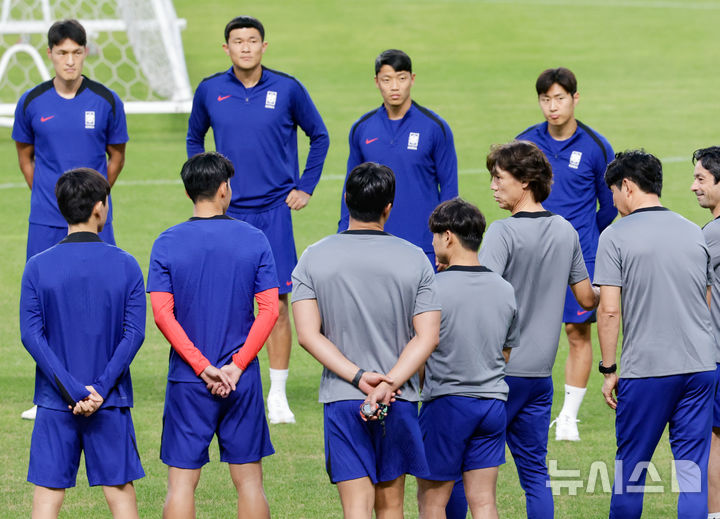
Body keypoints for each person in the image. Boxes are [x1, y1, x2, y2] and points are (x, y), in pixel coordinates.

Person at [186, 15, 329, 424]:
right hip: (225, 212)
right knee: (223, 299)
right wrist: (204, 185)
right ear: (226, 48)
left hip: (273, 213)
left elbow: (318, 135)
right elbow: (195, 137)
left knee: (277, 303)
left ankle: (277, 396)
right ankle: (219, 378)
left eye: (252, 41)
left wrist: (306, 185)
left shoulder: (287, 89)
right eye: (237, 41)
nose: (245, 47)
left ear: (264, 47)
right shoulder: (210, 90)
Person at [292, 162, 441, 519]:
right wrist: (389, 383)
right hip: (399, 398)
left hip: (344, 398)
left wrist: (360, 378)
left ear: (346, 200)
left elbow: (307, 335)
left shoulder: (314, 256)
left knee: (355, 509)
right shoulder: (416, 259)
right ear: (389, 206)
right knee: (392, 508)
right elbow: (428, 336)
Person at [147, 152, 279, 519]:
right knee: (250, 483)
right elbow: (270, 311)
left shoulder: (167, 242)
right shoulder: (254, 239)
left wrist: (203, 366)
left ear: (190, 192)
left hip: (188, 379)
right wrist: (235, 367)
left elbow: (162, 315)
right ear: (224, 190)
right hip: (242, 379)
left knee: (181, 485)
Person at [12, 18, 129, 421]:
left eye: (76, 52)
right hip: (46, 219)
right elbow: (24, 153)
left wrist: (94, 198)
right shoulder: (32, 102)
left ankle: (106, 383)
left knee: (101, 299)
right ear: (49, 54)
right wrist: (53, 198)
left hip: (95, 221)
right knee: (44, 304)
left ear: (85, 53)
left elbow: (117, 155)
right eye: (62, 52)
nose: (69, 60)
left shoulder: (106, 100)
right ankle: (46, 390)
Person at [478, 140, 599, 519]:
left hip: (497, 375)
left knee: (474, 473)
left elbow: (480, 297)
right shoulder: (565, 231)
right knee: (535, 476)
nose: (494, 186)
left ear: (525, 181)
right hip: (539, 378)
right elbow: (587, 299)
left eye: (500, 178)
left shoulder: (502, 233)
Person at [595, 150, 716, 519]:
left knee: (631, 471)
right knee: (692, 473)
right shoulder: (694, 233)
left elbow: (609, 309)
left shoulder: (614, 236)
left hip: (647, 370)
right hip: (700, 366)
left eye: (612, 192)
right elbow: (706, 299)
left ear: (627, 186)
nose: (612, 201)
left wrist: (608, 368)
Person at [19, 168, 145, 519]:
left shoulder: (37, 267)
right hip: (110, 401)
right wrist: (99, 390)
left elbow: (32, 336)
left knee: (46, 501)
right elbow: (134, 334)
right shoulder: (127, 265)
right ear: (100, 208)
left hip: (55, 403)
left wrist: (73, 391)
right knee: (121, 500)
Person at [517, 67, 615, 441]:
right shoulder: (525, 143)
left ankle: (569, 417)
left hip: (581, 256)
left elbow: (607, 207)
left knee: (576, 332)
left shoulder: (595, 145)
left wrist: (588, 241)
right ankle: (525, 407)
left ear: (575, 98)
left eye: (559, 98)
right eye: (545, 99)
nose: (552, 107)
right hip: (531, 254)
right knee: (525, 330)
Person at [416, 198, 518, 519]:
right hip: (491, 406)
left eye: (434, 236)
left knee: (433, 503)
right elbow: (505, 351)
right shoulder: (504, 288)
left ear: (448, 237)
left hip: (447, 405)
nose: (432, 243)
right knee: (484, 501)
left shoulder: (433, 288)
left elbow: (420, 352)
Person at [338, 49, 458, 267]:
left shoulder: (435, 128)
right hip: (372, 246)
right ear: (376, 82)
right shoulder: (362, 129)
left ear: (412, 79)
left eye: (401, 78)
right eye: (387, 79)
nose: (395, 87)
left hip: (424, 248)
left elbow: (450, 189)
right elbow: (350, 188)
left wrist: (448, 245)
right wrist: (342, 233)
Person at [690, 146, 720, 519]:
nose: (694, 186)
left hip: (715, 353)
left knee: (714, 439)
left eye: (701, 179)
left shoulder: (711, 235)